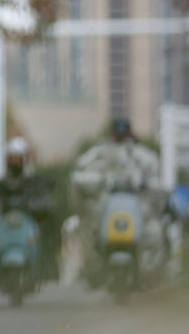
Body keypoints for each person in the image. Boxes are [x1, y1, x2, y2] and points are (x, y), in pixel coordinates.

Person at [70, 117, 167, 284]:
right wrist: (99, 181)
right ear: (112, 133)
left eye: (124, 133)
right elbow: (79, 174)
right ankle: (93, 270)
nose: (121, 137)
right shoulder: (99, 153)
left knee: (155, 232)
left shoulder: (143, 156)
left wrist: (145, 185)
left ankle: (151, 272)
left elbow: (157, 182)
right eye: (117, 132)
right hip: (106, 204)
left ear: (130, 133)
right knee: (84, 229)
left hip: (137, 206)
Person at [0, 137, 60, 281]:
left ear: (25, 160)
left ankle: (46, 264)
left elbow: (45, 203)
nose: (14, 162)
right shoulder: (0, 184)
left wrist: (35, 207)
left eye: (17, 159)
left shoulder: (34, 182)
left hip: (28, 225)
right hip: (6, 226)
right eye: (11, 159)